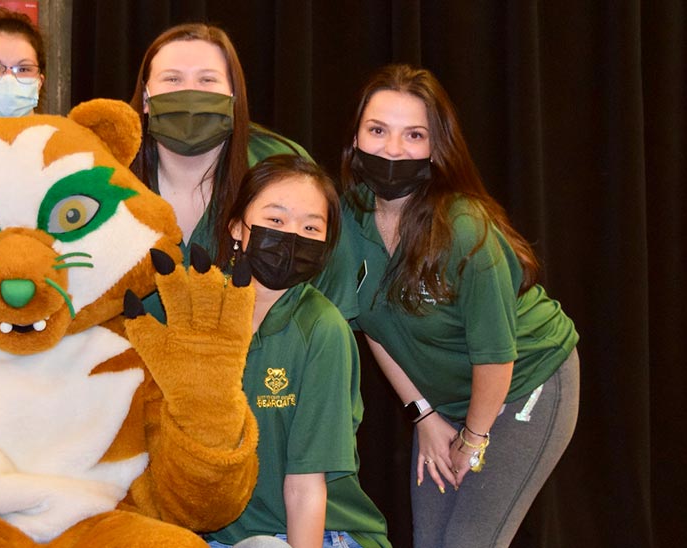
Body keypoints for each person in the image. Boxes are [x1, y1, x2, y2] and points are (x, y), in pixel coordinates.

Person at [337, 64, 580, 548]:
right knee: (429, 540)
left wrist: (473, 438)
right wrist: (424, 414)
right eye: (378, 130)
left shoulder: (465, 228)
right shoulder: (349, 216)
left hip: (524, 387)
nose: (391, 149)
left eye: (414, 135)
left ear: (436, 147)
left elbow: (496, 356)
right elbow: (370, 327)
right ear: (357, 136)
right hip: (445, 404)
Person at [205, 155, 390, 548]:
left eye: (310, 227)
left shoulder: (323, 330)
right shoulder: (198, 309)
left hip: (312, 532)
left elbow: (306, 489)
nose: (292, 236)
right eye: (276, 220)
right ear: (237, 227)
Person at [129, 23, 311, 263]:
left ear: (233, 96)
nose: (190, 93)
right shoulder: (108, 166)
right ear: (145, 98)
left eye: (207, 79)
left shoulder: (281, 163)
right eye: (172, 79)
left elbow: (325, 278)